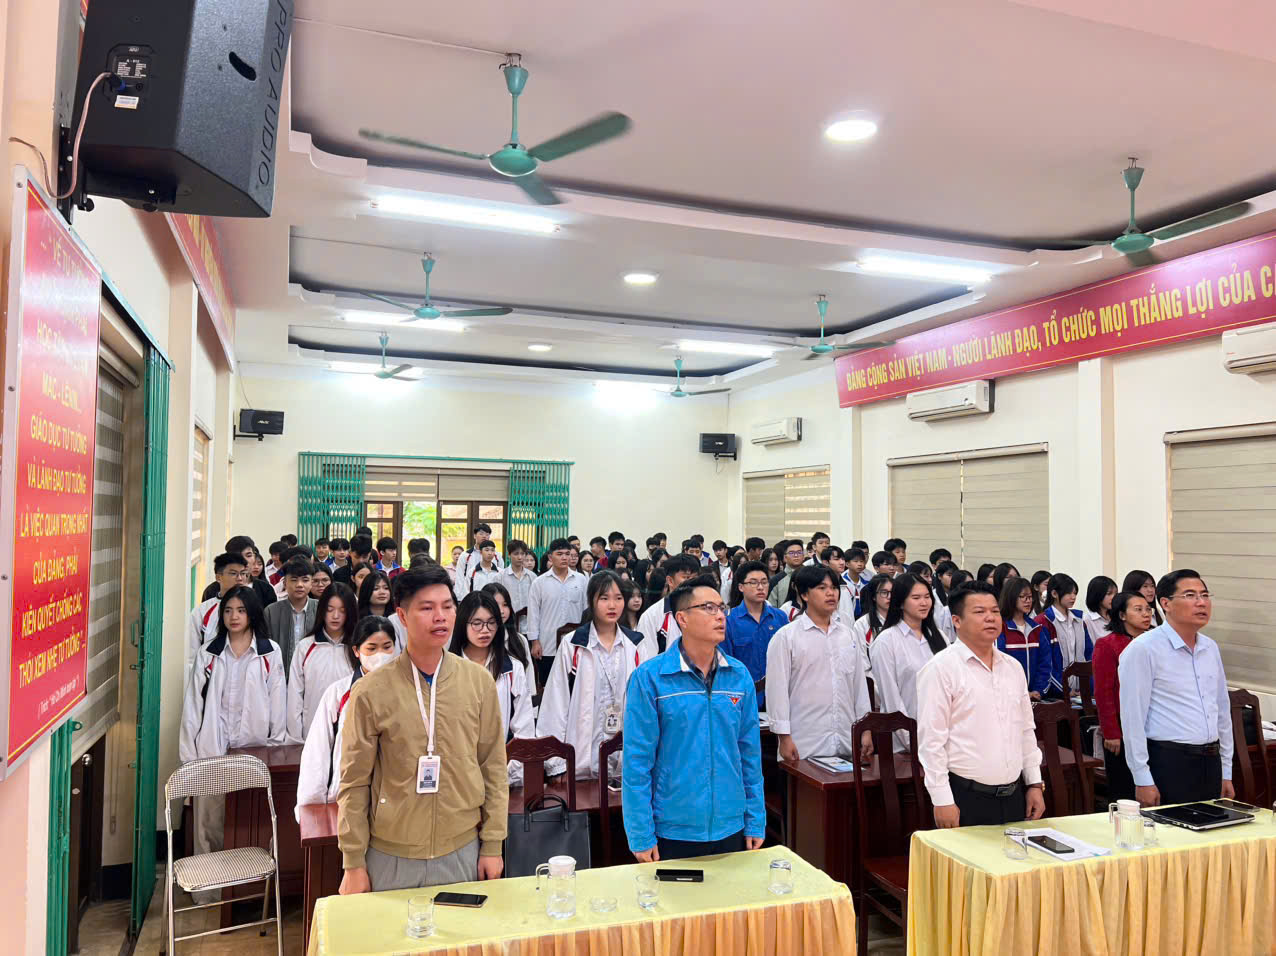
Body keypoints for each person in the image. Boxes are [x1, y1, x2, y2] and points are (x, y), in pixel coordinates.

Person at [337, 568, 508, 894]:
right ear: (402, 616)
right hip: (390, 853)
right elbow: (354, 781)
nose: (440, 616)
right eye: (427, 608)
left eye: (447, 606)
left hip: (462, 847)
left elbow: (493, 768)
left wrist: (492, 844)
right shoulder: (371, 691)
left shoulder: (478, 682)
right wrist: (353, 860)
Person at [622, 578, 765, 862]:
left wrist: (755, 819)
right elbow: (637, 762)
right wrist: (640, 834)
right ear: (682, 619)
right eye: (708, 608)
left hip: (731, 824)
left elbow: (749, 754)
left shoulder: (738, 676)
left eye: (722, 608)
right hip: (673, 828)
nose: (720, 616)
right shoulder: (650, 678)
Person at [180, 586, 286, 898]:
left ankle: (245, 894)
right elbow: (192, 708)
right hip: (211, 751)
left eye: (240, 610)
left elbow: (278, 704)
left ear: (252, 613)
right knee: (209, 824)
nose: (234, 616)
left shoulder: (269, 653)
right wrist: (189, 759)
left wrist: (275, 748)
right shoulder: (209, 654)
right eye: (228, 610)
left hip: (253, 753)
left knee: (248, 824)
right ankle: (208, 892)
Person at [916, 583, 1046, 827]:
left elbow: (1026, 731)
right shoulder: (940, 669)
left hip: (1014, 795)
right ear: (956, 620)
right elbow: (931, 742)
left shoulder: (1013, 667)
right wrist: (942, 800)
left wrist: (1034, 783)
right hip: (966, 797)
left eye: (995, 611)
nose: (990, 618)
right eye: (979, 612)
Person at [1119, 570, 1234, 806]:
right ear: (1165, 603)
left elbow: (1222, 711)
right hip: (1169, 762)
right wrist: (1142, 778)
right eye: (1190, 595)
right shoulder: (1144, 649)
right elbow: (1133, 718)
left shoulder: (1210, 648)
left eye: (1204, 595)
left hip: (1211, 762)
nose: (1201, 602)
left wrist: (1226, 770)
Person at [538, 570, 652, 780]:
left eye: (618, 598)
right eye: (604, 598)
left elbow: (646, 705)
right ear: (591, 601)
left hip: (626, 762)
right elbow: (555, 703)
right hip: (579, 759)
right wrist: (556, 765)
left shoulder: (636, 645)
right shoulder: (573, 645)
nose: (612, 605)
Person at [295, 616, 399, 821]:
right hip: (345, 798)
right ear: (356, 651)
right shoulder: (338, 693)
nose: (380, 655)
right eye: (372, 648)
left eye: (387, 647)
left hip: (392, 800)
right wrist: (311, 808)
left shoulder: (406, 692)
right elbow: (318, 752)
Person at [767, 566, 873, 763]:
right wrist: (784, 737)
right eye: (822, 588)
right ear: (804, 594)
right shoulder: (786, 637)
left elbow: (859, 687)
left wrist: (865, 729)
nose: (831, 593)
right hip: (804, 742)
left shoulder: (848, 635)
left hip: (846, 739)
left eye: (834, 587)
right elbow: (777, 692)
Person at [450, 592, 535, 784]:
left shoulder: (512, 668)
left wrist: (507, 770)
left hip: (504, 772)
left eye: (491, 623)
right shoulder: (447, 668)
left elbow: (524, 728)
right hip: (457, 775)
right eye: (477, 623)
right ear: (462, 624)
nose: (485, 630)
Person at [870, 573, 949, 752]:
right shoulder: (886, 641)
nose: (924, 603)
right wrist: (912, 742)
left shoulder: (939, 637)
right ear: (900, 602)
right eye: (916, 598)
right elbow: (891, 698)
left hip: (942, 738)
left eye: (927, 597)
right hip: (905, 746)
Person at [1092, 591, 1152, 803]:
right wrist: (1111, 732)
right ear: (1122, 615)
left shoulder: (1153, 642)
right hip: (1121, 727)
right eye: (1138, 609)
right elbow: (1103, 691)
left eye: (1148, 609)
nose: (1146, 614)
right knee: (1125, 792)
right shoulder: (1108, 644)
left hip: (1151, 725)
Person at [288, 583, 358, 742]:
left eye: (342, 610)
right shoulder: (306, 647)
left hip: (349, 733)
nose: (335, 616)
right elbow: (295, 694)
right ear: (322, 610)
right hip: (312, 732)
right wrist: (296, 737)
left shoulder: (357, 648)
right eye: (330, 609)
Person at [722, 561, 788, 708]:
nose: (760, 587)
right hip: (744, 697)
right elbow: (726, 665)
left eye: (764, 582)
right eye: (753, 583)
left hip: (779, 695)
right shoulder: (729, 621)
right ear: (741, 587)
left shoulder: (780, 617)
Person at [526, 538, 589, 687]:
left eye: (567, 554)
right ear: (550, 557)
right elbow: (533, 614)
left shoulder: (581, 580)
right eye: (559, 554)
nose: (565, 558)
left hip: (575, 642)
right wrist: (535, 641)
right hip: (547, 644)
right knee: (549, 685)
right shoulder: (539, 582)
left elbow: (587, 611)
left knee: (574, 687)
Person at [186, 552, 250, 677]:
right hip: (212, 677)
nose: (240, 578)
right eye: (233, 573)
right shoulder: (201, 612)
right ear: (218, 577)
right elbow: (192, 655)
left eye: (243, 573)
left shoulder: (254, 607)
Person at [1036, 573, 1094, 698]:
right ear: (1054, 594)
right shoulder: (1043, 622)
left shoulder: (1079, 621)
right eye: (1069, 593)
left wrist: (1089, 688)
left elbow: (1089, 655)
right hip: (1055, 694)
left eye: (1075, 593)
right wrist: (1064, 689)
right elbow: (1045, 663)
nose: (1073, 597)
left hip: (1080, 693)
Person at [996, 577, 1051, 697]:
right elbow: (999, 666)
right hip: (1009, 696)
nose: (1028, 601)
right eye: (1023, 597)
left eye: (1030, 597)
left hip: (1035, 697)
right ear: (1011, 597)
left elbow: (1045, 664)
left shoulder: (1037, 628)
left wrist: (1038, 690)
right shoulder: (1000, 628)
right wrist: (1021, 693)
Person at [636, 554, 700, 656]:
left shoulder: (703, 611)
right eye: (686, 577)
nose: (692, 582)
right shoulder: (652, 616)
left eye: (695, 578)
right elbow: (647, 659)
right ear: (670, 580)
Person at [263, 556, 317, 675]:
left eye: (305, 580)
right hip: (280, 674)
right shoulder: (271, 612)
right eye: (294, 580)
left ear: (311, 583)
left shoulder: (320, 609)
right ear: (284, 583)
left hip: (312, 674)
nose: (299, 585)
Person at [480, 581, 535, 693]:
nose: (501, 611)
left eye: (505, 605)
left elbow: (529, 680)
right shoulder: (477, 639)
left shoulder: (519, 640)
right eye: (495, 605)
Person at [496, 540, 537, 645]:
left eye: (522, 554)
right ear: (509, 554)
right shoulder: (500, 577)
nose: (520, 557)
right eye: (516, 554)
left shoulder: (532, 577)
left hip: (528, 626)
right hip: (508, 625)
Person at [848, 573, 893, 659]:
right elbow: (861, 658)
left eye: (893, 592)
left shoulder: (902, 620)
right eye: (884, 593)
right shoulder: (862, 624)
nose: (889, 597)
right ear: (873, 597)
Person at [767, 540, 807, 606]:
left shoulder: (811, 577)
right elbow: (771, 607)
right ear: (785, 558)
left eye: (799, 552)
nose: (796, 555)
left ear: (803, 556)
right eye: (791, 553)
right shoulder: (776, 580)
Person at [1084, 575, 1117, 641]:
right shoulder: (1087, 620)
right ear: (1097, 595)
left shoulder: (1117, 615)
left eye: (1116, 593)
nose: (1114, 597)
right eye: (1109, 594)